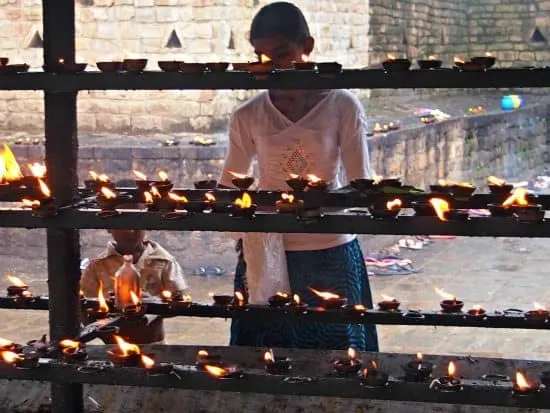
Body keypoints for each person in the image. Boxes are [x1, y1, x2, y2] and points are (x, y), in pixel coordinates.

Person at [219, 2, 378, 351]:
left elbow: (360, 184)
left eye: (281, 54)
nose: (270, 66)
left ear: (307, 47)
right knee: (263, 357)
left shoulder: (342, 106)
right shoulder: (249, 115)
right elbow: (230, 185)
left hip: (328, 248)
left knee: (337, 354)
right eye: (260, 56)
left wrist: (317, 206)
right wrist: (242, 218)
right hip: (266, 249)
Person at [80, 196, 188, 343]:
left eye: (137, 222)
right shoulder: (97, 266)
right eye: (123, 223)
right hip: (114, 348)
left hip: (154, 345)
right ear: (109, 227)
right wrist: (105, 321)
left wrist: (153, 305)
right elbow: (83, 310)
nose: (131, 230)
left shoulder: (164, 261)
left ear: (147, 224)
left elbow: (178, 304)